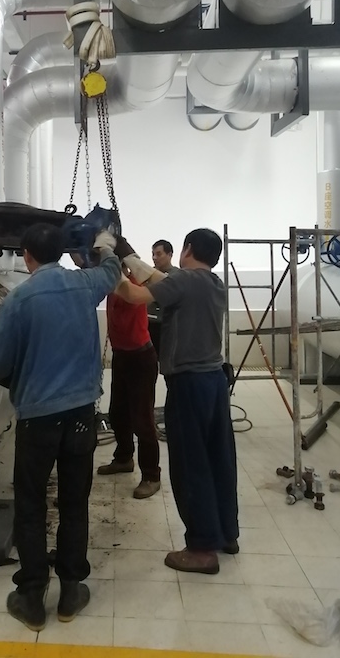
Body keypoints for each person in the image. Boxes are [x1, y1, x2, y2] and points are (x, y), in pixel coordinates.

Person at [0, 224, 120, 631]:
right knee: (75, 502)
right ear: (62, 252)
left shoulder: (17, 300)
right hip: (81, 415)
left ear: (26, 255)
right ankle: (71, 591)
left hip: (38, 419)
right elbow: (112, 273)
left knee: (31, 504)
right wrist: (106, 247)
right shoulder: (85, 284)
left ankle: (31, 596)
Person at [115, 229, 238, 576]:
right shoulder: (213, 283)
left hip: (188, 385)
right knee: (218, 460)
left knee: (190, 464)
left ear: (187, 249)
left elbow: (133, 294)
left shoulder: (183, 282)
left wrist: (108, 264)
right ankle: (225, 534)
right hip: (214, 383)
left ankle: (201, 549)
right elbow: (158, 279)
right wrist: (128, 254)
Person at [97, 267, 161, 499]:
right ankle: (124, 458)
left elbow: (138, 293)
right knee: (117, 413)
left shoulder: (133, 282)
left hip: (140, 357)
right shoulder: (110, 282)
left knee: (143, 420)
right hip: (121, 355)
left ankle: (151, 476)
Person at [147, 240, 179, 374]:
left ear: (170, 254)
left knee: (170, 370)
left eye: (159, 254)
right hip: (148, 326)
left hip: (168, 328)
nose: (155, 258)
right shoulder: (147, 274)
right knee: (148, 368)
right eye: (153, 254)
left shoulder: (178, 276)